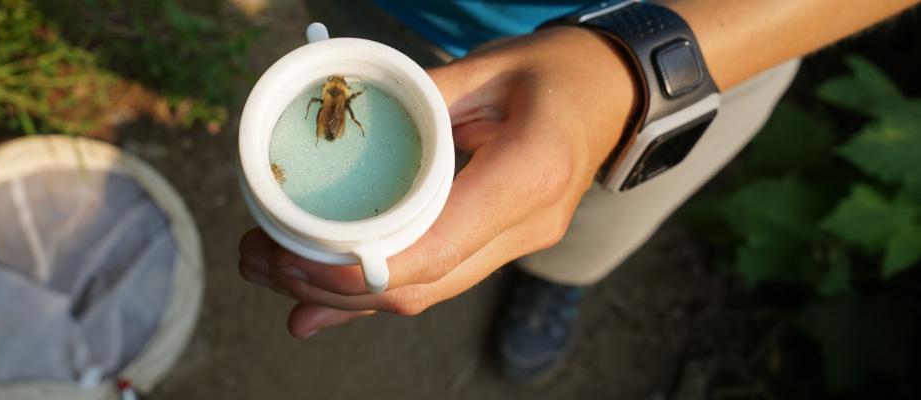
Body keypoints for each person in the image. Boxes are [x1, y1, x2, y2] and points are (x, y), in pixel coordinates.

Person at [238, 0, 921, 383]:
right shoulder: (342, 84)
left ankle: (558, 274)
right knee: (439, 207)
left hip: (715, 44)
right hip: (385, 18)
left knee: (606, 211)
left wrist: (627, 71)